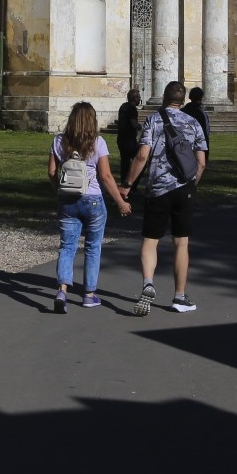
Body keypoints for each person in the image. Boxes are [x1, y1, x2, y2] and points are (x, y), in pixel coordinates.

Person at [122, 80, 206, 315]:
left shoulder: (154, 120)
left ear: (164, 98)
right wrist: (191, 184)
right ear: (183, 100)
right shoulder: (193, 122)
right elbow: (201, 162)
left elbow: (141, 156)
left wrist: (127, 185)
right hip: (184, 189)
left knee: (151, 240)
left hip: (157, 188)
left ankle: (148, 283)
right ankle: (179, 297)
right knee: (181, 243)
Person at [48, 101, 131, 312]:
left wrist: (59, 189)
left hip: (68, 199)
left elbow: (51, 172)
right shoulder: (98, 143)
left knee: (67, 246)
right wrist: (120, 202)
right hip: (93, 199)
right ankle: (89, 294)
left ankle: (62, 290)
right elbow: (105, 176)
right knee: (93, 248)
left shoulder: (59, 141)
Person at [116, 88, 142, 187]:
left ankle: (124, 182)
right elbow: (133, 123)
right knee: (139, 160)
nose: (139, 99)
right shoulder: (132, 109)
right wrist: (139, 126)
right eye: (139, 97)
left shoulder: (123, 106)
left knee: (125, 163)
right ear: (135, 98)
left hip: (121, 138)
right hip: (129, 140)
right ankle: (133, 184)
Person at [183, 86, 211, 164]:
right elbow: (205, 133)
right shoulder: (202, 114)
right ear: (201, 98)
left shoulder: (181, 112)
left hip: (182, 149)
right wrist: (206, 154)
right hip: (197, 148)